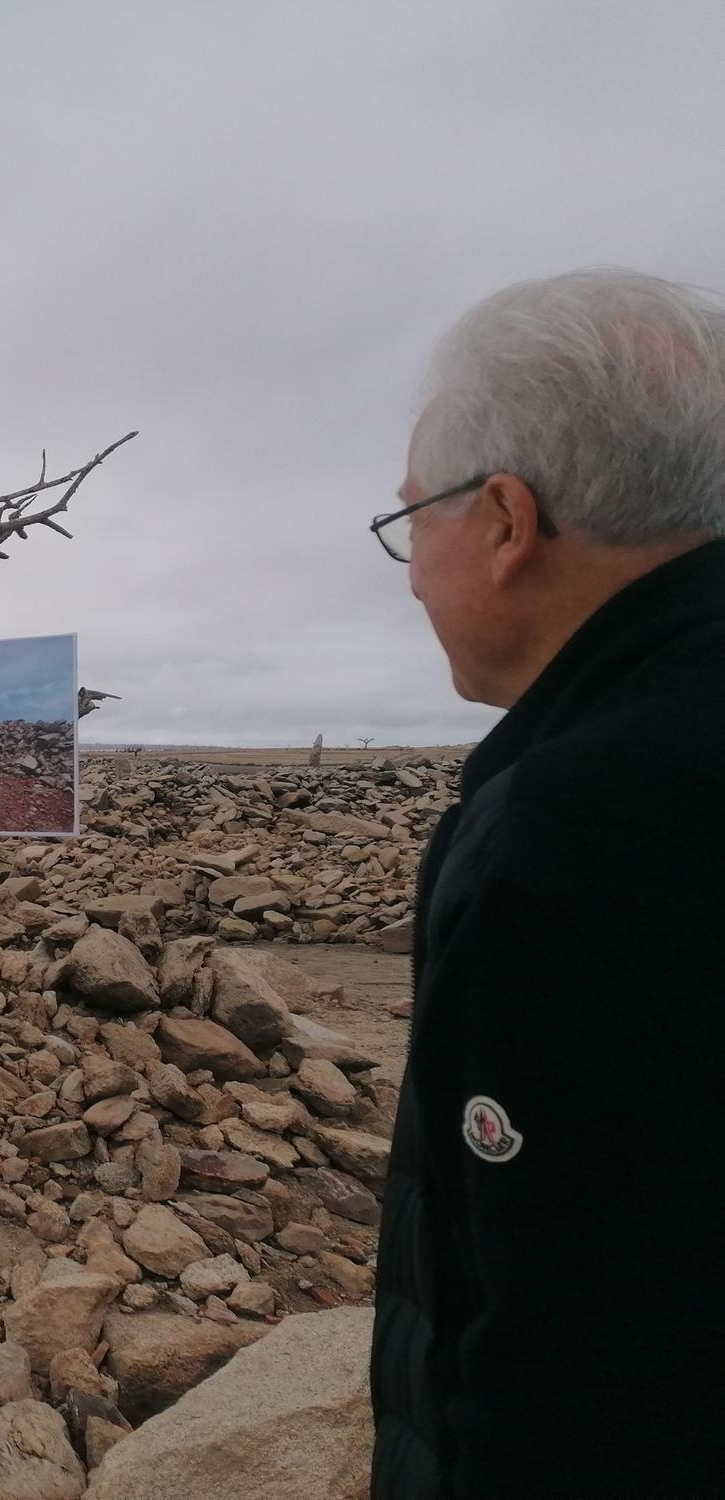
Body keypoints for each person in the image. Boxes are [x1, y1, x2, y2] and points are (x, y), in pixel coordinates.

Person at [370, 267, 725, 1500]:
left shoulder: (578, 836)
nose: (409, 572)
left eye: (409, 522)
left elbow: (572, 1369)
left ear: (505, 520)